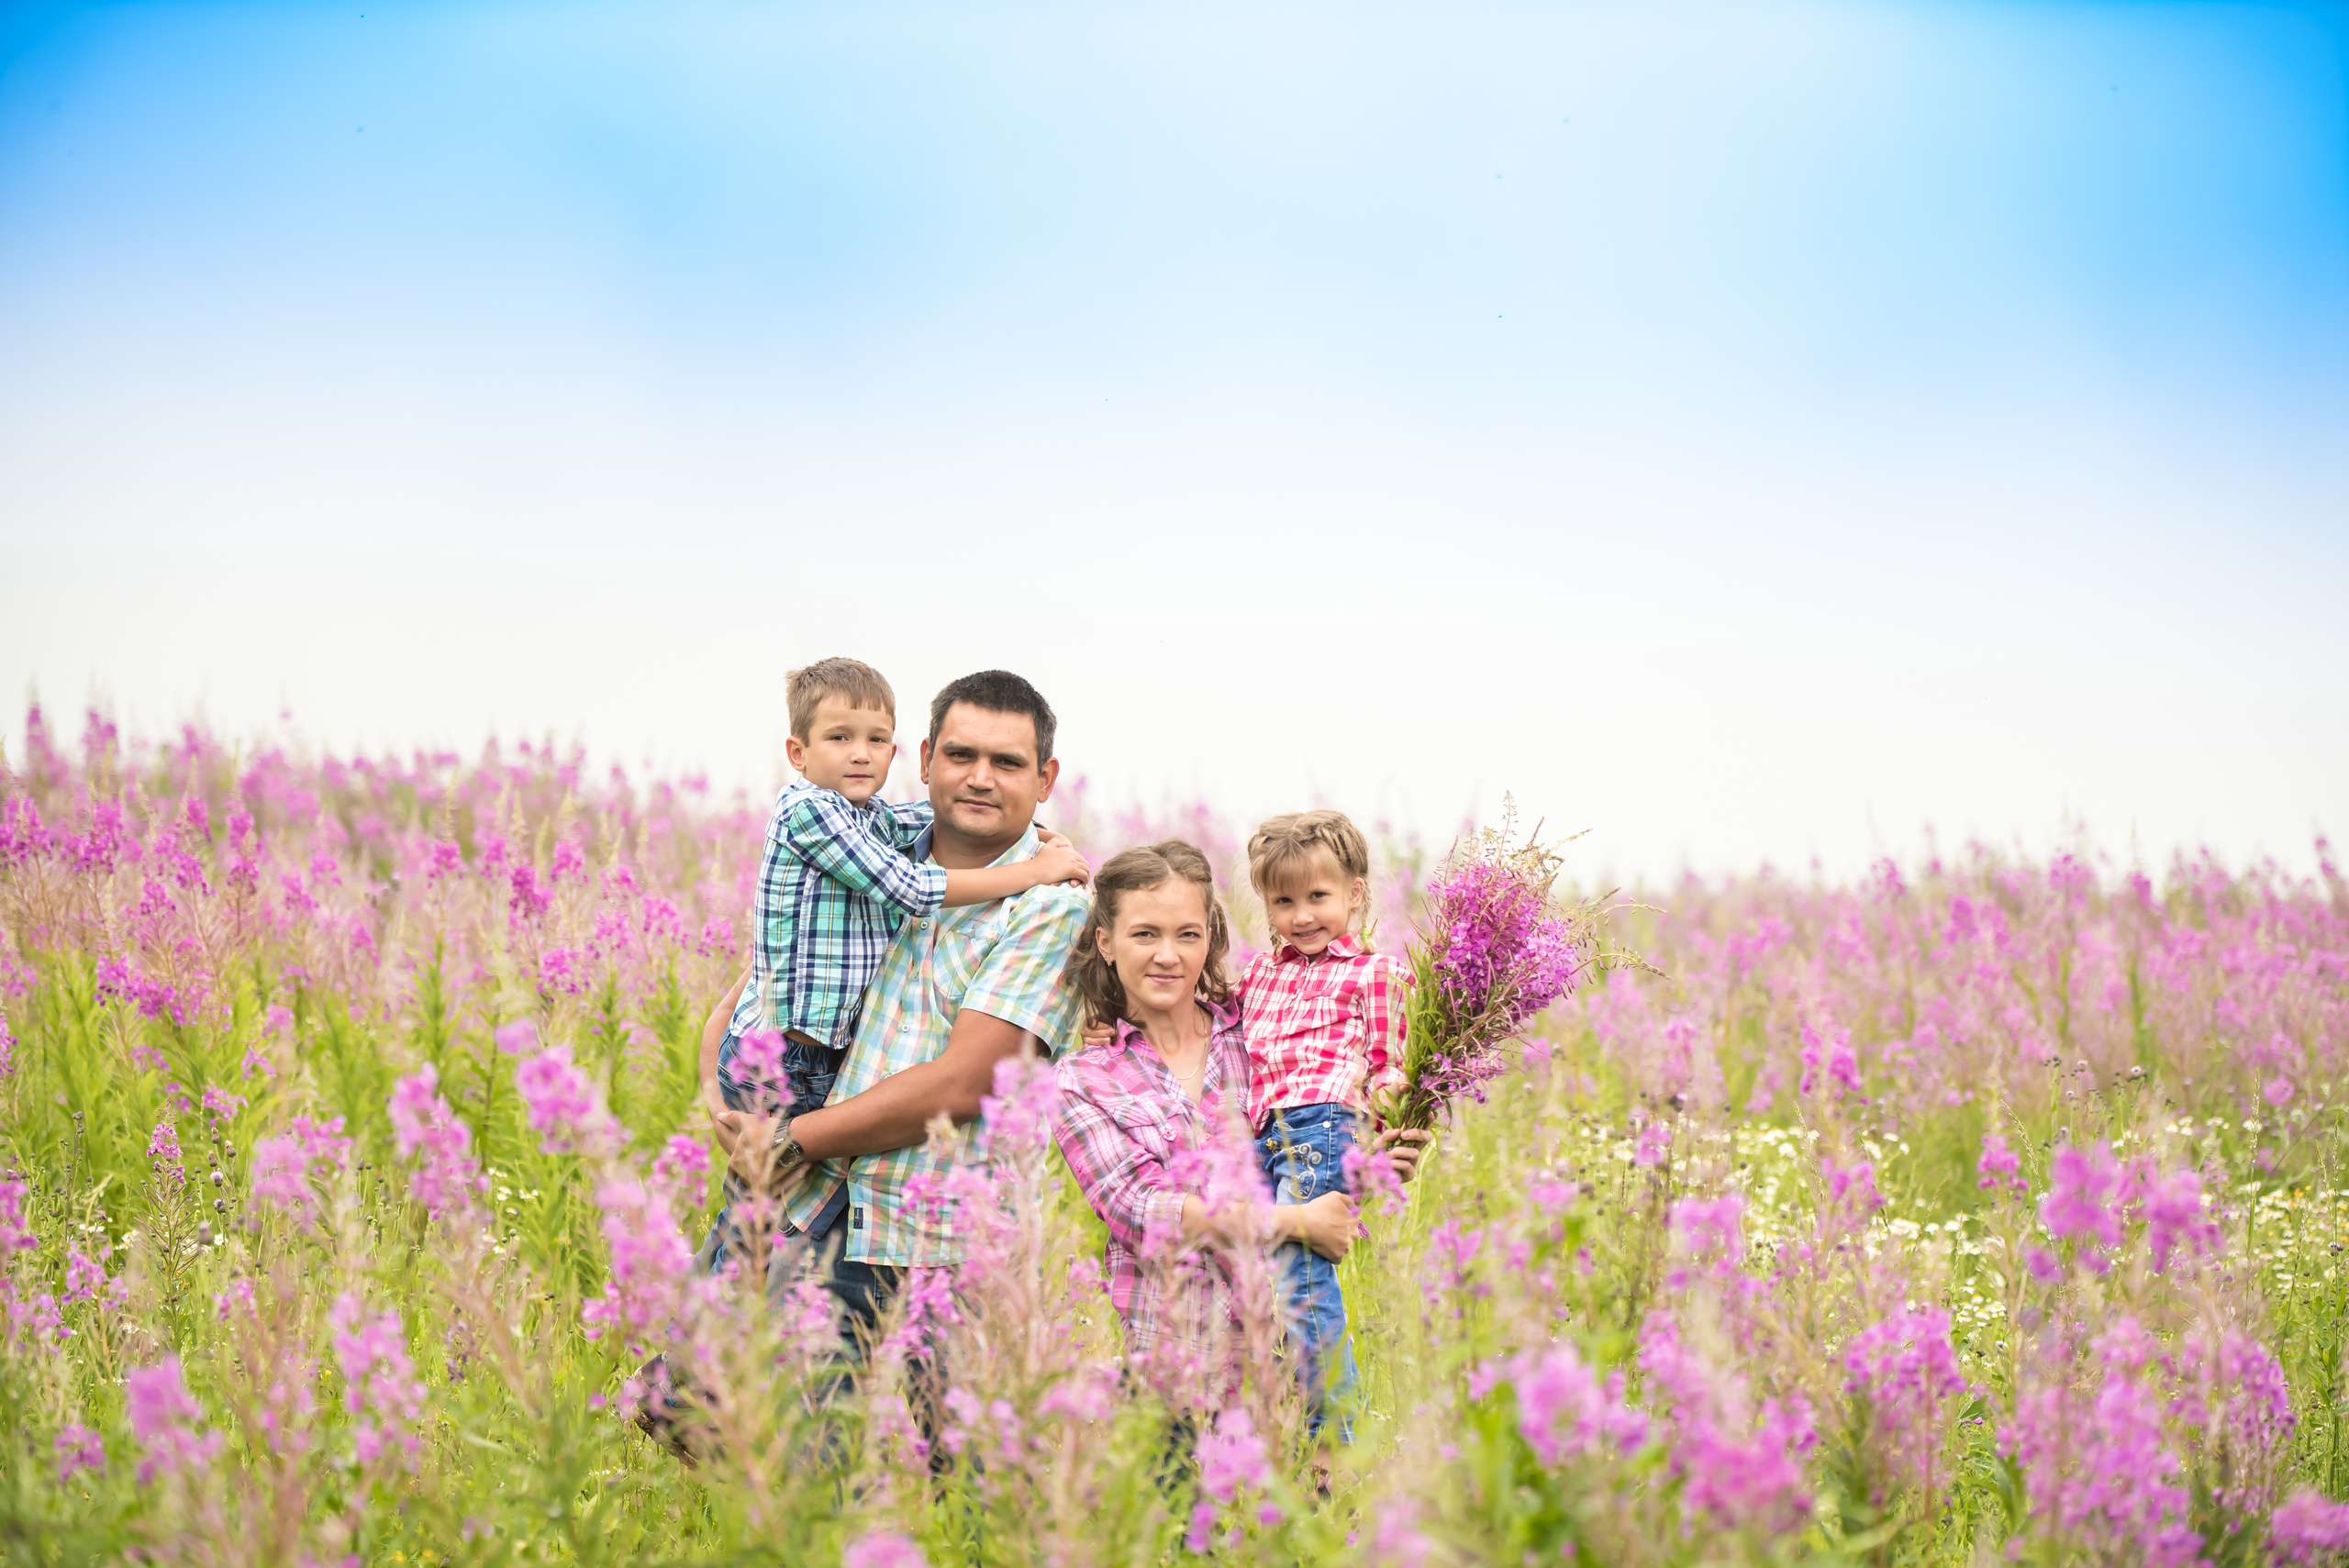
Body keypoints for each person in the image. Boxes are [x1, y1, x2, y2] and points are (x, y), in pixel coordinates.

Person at [717, 670, 1095, 1355]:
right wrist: (721, 1105)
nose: (980, 778)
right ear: (923, 761)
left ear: (1045, 778)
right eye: (960, 755)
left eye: (1008, 763)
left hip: (929, 1247)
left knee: (917, 1432)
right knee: (700, 1391)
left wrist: (788, 1141)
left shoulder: (1051, 907)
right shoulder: (875, 847)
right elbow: (765, 976)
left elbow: (967, 1083)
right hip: (809, 1204)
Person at [1050, 841, 1361, 1397]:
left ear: (1211, 939)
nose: (1168, 955)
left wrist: (1381, 1153)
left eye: (1187, 935)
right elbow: (1143, 1212)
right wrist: (1296, 1224)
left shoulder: (1260, 1035)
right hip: (1177, 1382)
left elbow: (1321, 1135)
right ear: (1106, 942)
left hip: (1290, 1370)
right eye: (1145, 934)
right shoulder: (1082, 1080)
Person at [1236, 809, 1419, 1439]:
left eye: (1318, 896)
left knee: (1301, 1279)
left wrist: (1390, 1127)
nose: (1301, 916)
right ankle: (1285, 1423)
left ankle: (1335, 1435)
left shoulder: (1375, 973)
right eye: (1283, 901)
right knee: (1258, 1278)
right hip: (1262, 1134)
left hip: (1322, 1129)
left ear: (1354, 893)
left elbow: (1389, 1065)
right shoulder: (1260, 973)